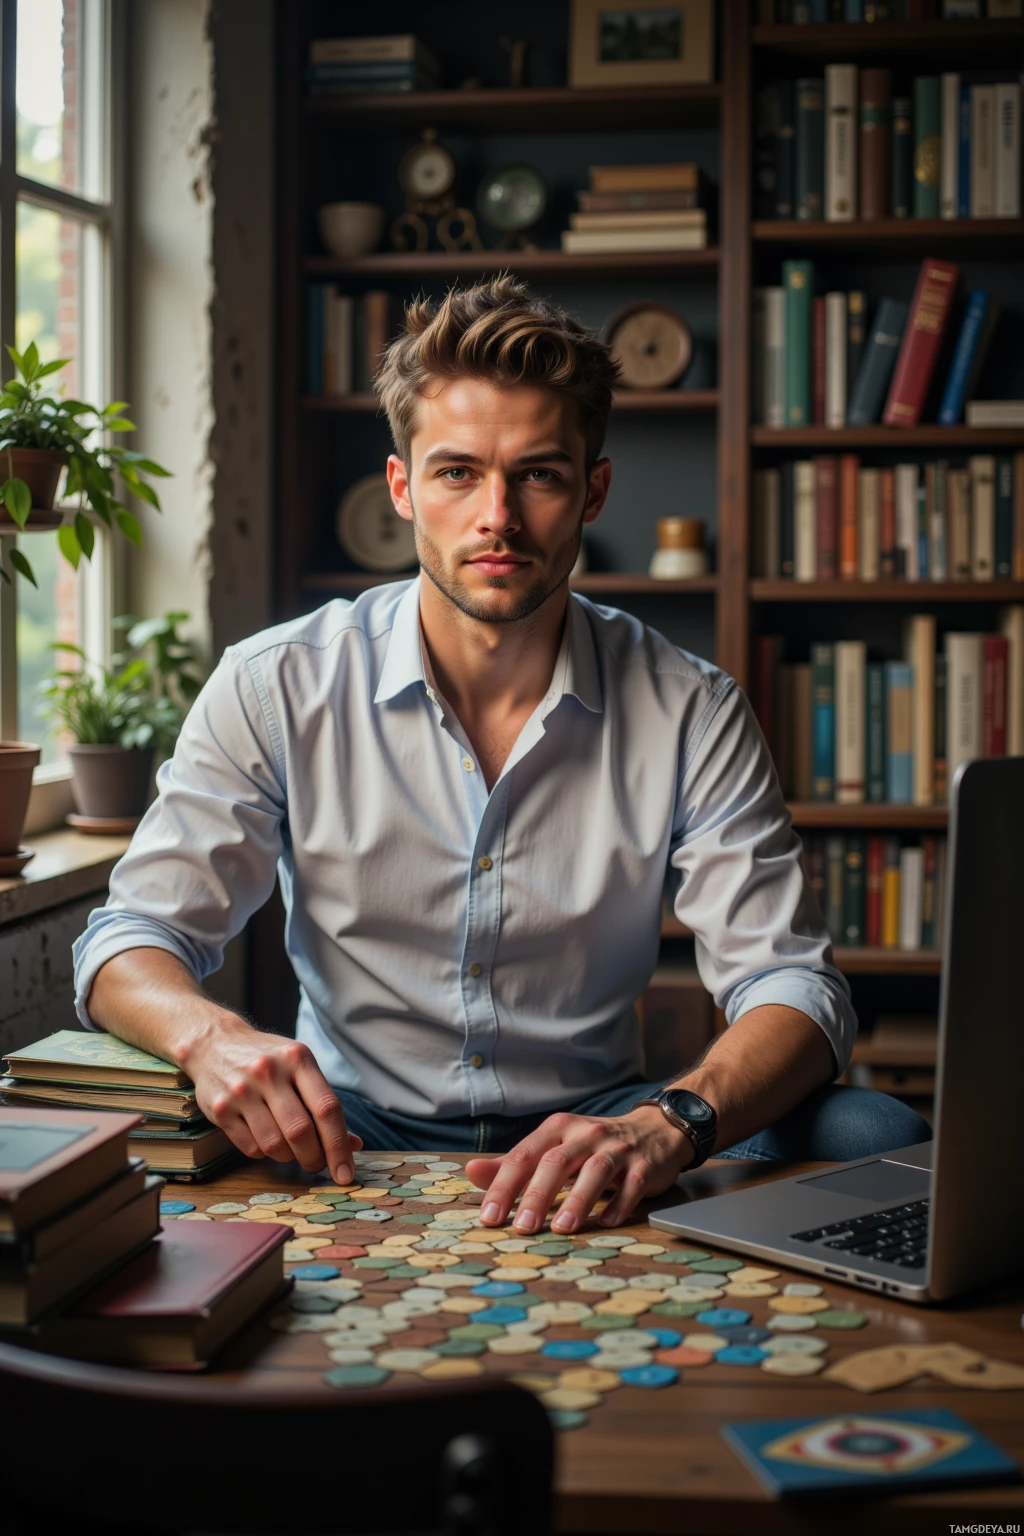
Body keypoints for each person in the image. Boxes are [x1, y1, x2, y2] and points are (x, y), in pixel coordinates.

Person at [73, 277, 928, 1238]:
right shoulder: (278, 684)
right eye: (456, 473)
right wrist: (213, 1036)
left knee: (875, 1131)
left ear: (592, 491)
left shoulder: (690, 707)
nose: (498, 518)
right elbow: (127, 939)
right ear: (402, 487)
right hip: (344, 1120)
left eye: (540, 475)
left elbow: (795, 988)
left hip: (597, 1112)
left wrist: (668, 1123)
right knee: (99, 1127)